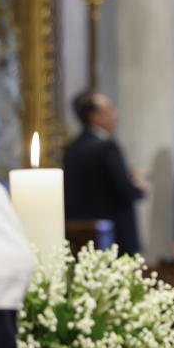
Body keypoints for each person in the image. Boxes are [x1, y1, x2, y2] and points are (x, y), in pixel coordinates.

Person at [63, 90, 146, 255]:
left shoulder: (71, 149)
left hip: (82, 238)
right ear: (94, 116)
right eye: (109, 110)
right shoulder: (106, 147)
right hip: (114, 236)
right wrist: (137, 185)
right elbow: (123, 189)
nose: (115, 115)